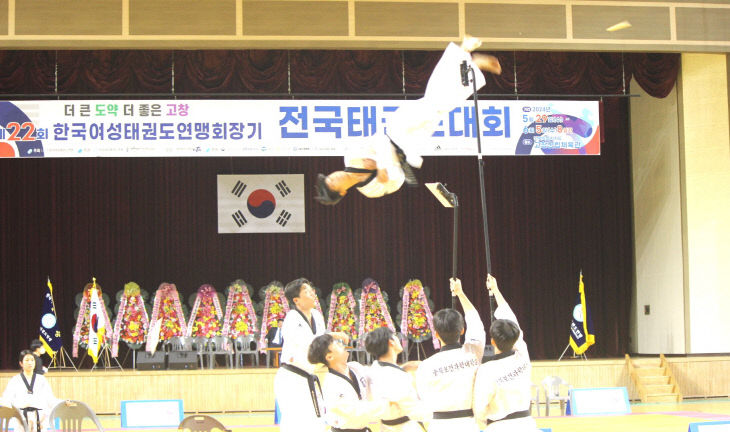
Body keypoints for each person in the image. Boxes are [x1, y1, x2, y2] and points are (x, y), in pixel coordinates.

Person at [314, 36, 502, 205]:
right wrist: (385, 173)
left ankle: (465, 55)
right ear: (342, 192)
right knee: (439, 107)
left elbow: (378, 139)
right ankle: (467, 60)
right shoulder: (369, 190)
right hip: (411, 147)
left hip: (397, 129)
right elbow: (399, 180)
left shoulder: (351, 156)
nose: (334, 176)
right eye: (332, 182)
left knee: (433, 104)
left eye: (329, 177)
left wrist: (380, 164)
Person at [273, 278, 350, 432]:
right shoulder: (291, 319)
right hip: (291, 376)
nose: (312, 294)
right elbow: (310, 344)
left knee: (316, 422)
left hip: (309, 375)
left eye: (312, 290)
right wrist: (334, 336)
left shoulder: (317, 316)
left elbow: (321, 344)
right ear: (297, 300)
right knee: (294, 424)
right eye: (307, 292)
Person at [415, 278, 486, 432]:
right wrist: (460, 293)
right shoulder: (472, 352)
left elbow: (423, 400)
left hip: (439, 426)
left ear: (436, 334)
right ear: (462, 331)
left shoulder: (426, 365)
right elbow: (475, 321)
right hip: (468, 425)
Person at [473, 275, 538, 431]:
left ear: (493, 342)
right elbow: (512, 322)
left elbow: (479, 407)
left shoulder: (487, 370)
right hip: (527, 424)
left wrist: (484, 423)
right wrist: (495, 290)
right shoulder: (523, 355)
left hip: (499, 426)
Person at [308, 333, 392, 431]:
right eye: (336, 344)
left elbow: (377, 376)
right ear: (330, 357)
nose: (342, 345)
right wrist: (387, 405)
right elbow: (354, 412)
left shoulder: (355, 367)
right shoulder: (330, 384)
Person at [364, 327, 428, 432]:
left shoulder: (373, 369)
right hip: (404, 427)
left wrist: (403, 368)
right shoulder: (397, 376)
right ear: (391, 342)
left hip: (385, 427)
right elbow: (414, 410)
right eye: (395, 336)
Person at [1, 350, 69, 432]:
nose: (30, 362)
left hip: (40, 418)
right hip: (21, 418)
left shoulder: (41, 379)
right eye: (27, 360)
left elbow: (50, 399)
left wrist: (63, 402)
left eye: (32, 360)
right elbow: (6, 399)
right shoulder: (15, 380)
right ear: (21, 363)